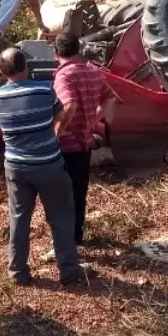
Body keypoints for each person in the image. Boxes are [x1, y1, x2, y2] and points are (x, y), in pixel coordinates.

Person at [0, 49, 87, 286]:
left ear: (2, 71)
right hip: (48, 165)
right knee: (61, 217)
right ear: (26, 67)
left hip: (16, 167)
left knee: (19, 218)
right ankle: (68, 270)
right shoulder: (44, 90)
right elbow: (60, 114)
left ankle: (18, 271)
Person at [53, 33, 118, 248]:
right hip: (84, 144)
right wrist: (93, 119)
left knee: (62, 195)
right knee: (79, 193)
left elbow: (69, 105)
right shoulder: (92, 72)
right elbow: (110, 98)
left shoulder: (64, 77)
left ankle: (65, 242)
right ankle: (76, 238)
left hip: (67, 146)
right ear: (78, 50)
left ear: (56, 54)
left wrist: (59, 131)